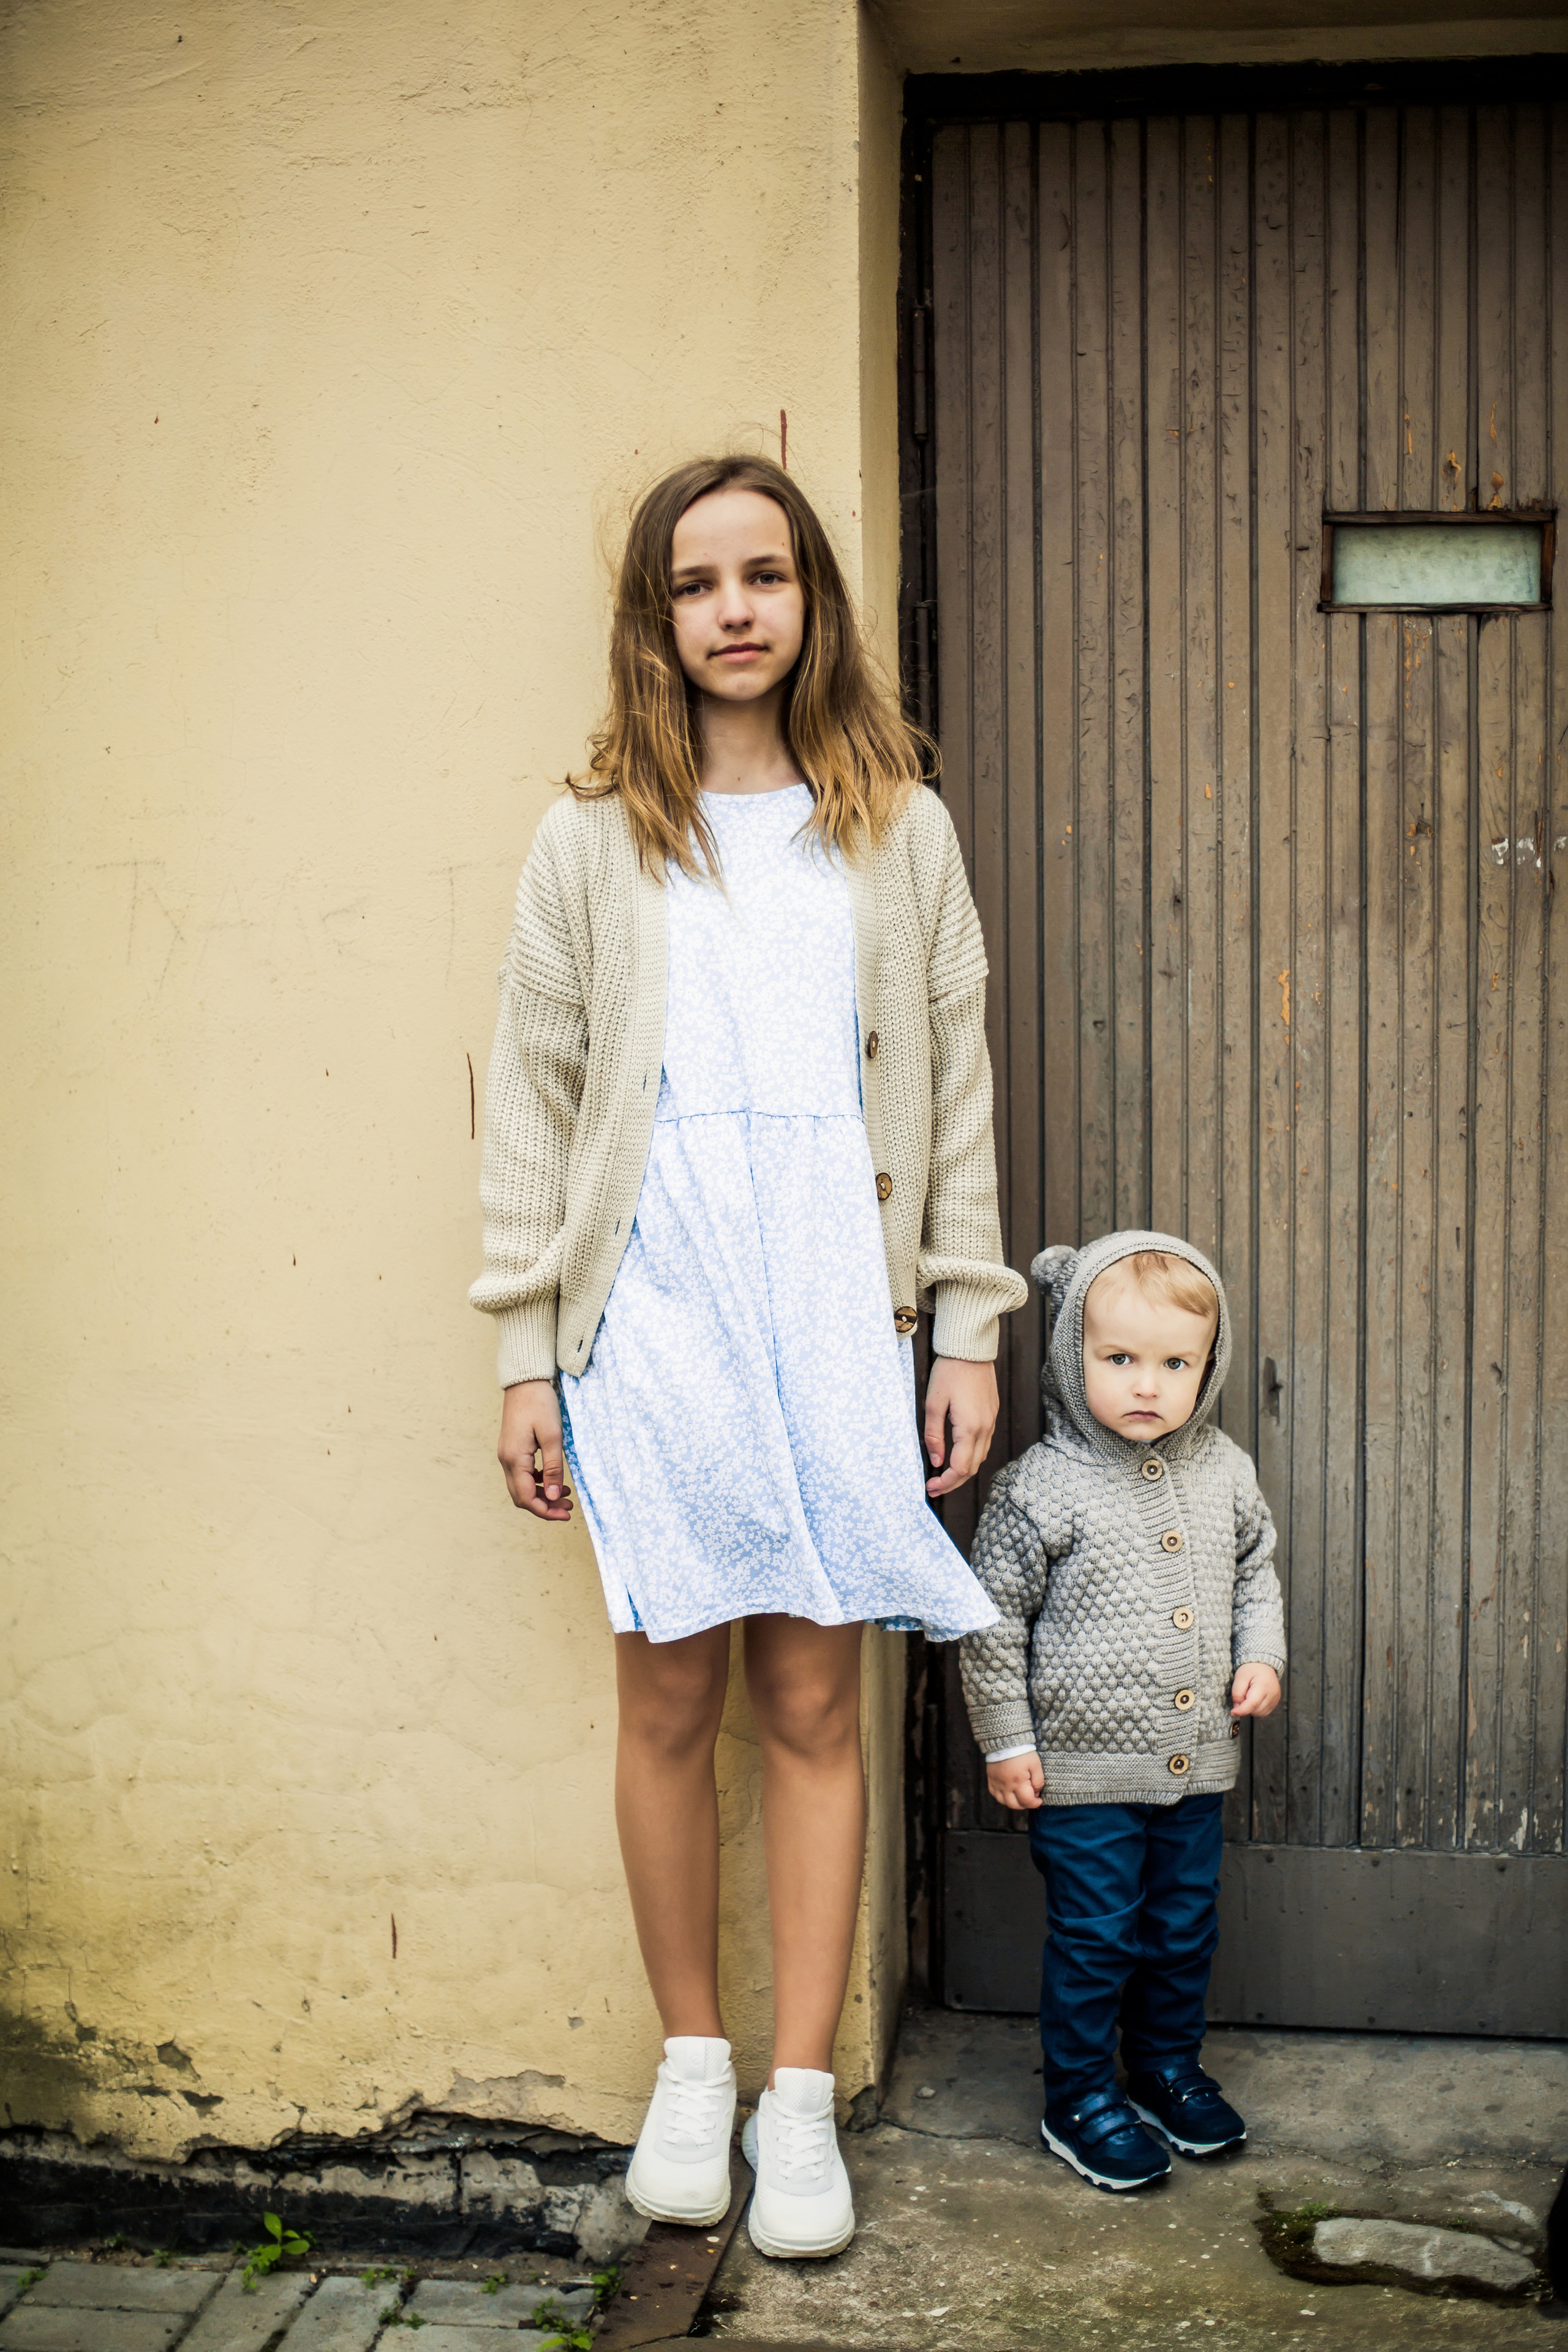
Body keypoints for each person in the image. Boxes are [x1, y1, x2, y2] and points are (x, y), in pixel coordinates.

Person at [470, 454, 1025, 2260]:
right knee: (668, 1699)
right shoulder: (592, 835)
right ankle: (691, 2062)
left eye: (765, 575)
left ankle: (802, 2099)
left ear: (811, 601)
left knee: (811, 1700)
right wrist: (530, 1355)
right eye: (697, 581)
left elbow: (953, 1102)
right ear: (655, 615)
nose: (733, 608)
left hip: (836, 1307)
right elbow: (537, 1111)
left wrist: (962, 1324)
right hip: (658, 1312)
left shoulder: (898, 825)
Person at [960, 1232, 1286, 2193]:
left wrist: (1259, 1653)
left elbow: (1253, 1568)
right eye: (1120, 1360)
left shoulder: (1224, 1470)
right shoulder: (1038, 1487)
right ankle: (1080, 2095)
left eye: (1175, 1364)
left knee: (1184, 1927)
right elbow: (992, 1625)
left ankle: (1166, 2069)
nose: (1148, 1385)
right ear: (1074, 1357)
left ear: (1207, 1366)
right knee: (1099, 1934)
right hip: (1082, 1775)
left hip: (1195, 1763)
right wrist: (1007, 1739)